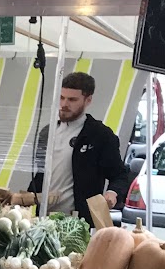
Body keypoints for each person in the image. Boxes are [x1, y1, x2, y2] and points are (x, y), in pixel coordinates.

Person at [30, 71, 127, 222]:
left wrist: (113, 192)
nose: (64, 104)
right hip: (41, 218)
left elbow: (120, 175)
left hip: (77, 222)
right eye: (61, 98)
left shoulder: (100, 135)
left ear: (88, 100)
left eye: (72, 99)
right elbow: (39, 175)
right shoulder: (47, 133)